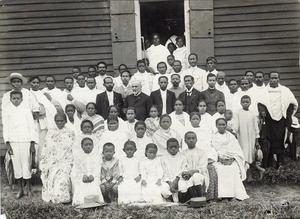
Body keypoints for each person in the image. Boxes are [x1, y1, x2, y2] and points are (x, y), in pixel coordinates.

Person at [257, 71, 299, 168]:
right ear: (269, 79)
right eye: (272, 78)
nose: (274, 80)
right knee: (269, 143)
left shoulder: (285, 91)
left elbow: (291, 104)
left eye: (276, 78)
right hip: (269, 120)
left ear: (279, 79)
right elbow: (260, 104)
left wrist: (288, 119)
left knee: (281, 142)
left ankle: (280, 165)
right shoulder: (264, 91)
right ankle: (269, 165)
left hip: (281, 121)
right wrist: (262, 111)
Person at [2, 90, 37, 199]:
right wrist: (8, 144)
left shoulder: (26, 109)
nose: (16, 100)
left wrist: (32, 143)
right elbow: (6, 128)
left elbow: (31, 127)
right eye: (14, 98)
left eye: (18, 98)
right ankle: (20, 189)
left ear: (22, 99)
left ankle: (28, 189)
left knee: (26, 165)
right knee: (17, 166)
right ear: (10, 99)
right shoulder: (7, 110)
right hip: (13, 141)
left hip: (25, 141)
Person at [211, 118, 249, 200]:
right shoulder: (213, 137)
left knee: (233, 168)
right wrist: (221, 159)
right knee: (220, 169)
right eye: (219, 125)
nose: (221, 126)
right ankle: (222, 195)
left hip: (232, 160)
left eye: (223, 124)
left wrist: (232, 159)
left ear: (226, 125)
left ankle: (234, 194)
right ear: (216, 126)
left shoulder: (231, 137)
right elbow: (213, 151)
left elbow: (237, 152)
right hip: (219, 161)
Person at [40, 113, 74, 203]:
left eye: (61, 120)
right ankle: (53, 195)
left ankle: (63, 198)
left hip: (65, 161)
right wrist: (46, 162)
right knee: (49, 174)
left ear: (65, 121)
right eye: (57, 121)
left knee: (62, 177)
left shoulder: (70, 133)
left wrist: (66, 161)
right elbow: (46, 148)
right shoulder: (51, 132)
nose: (59, 122)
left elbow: (71, 149)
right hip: (51, 162)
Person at [232, 95, 260, 181]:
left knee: (250, 155)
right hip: (242, 138)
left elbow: (256, 128)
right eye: (243, 102)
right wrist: (235, 134)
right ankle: (243, 177)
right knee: (243, 155)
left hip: (250, 138)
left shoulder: (252, 114)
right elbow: (236, 125)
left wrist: (256, 140)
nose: (245, 104)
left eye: (247, 102)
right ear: (240, 103)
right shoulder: (238, 112)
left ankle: (250, 176)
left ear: (250, 103)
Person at [72, 137, 103, 205]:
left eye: (90, 144)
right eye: (86, 145)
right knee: (81, 183)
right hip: (83, 176)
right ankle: (81, 202)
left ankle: (95, 201)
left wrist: (93, 175)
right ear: (82, 147)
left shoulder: (97, 156)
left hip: (93, 175)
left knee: (94, 183)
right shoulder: (79, 156)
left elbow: (97, 168)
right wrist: (83, 175)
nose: (88, 146)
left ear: (93, 146)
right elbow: (78, 168)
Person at [179, 132, 208, 202]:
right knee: (181, 183)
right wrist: (185, 173)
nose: (191, 140)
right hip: (187, 175)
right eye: (188, 138)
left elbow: (203, 167)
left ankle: (200, 199)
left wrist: (192, 172)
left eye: (193, 138)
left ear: (196, 140)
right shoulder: (182, 153)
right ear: (185, 141)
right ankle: (189, 201)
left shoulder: (201, 152)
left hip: (200, 175)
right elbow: (182, 166)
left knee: (196, 177)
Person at [161, 138, 185, 202]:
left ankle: (181, 200)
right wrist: (170, 183)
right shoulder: (163, 158)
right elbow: (163, 172)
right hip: (168, 181)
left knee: (183, 187)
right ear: (167, 149)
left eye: (175, 147)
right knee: (164, 190)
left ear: (178, 147)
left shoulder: (182, 157)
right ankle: (170, 199)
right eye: (171, 147)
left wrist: (176, 180)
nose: (173, 149)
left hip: (179, 179)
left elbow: (183, 170)